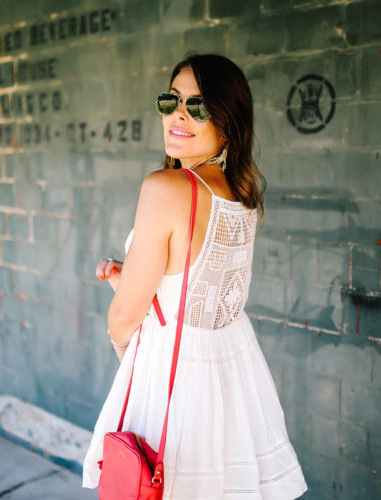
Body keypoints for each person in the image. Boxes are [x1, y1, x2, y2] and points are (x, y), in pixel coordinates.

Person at [82, 53, 308, 499]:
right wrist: (134, 281)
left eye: (199, 106)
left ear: (228, 121)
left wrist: (123, 333)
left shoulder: (165, 187)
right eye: (172, 100)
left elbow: (126, 317)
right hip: (231, 380)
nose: (179, 115)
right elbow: (200, 290)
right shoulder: (241, 194)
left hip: (172, 378)